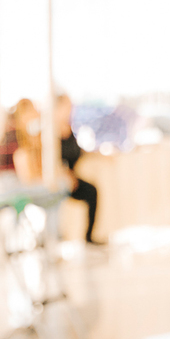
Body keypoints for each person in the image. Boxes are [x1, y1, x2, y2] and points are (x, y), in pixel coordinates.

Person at [56, 94, 102, 245]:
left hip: (72, 179)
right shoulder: (51, 132)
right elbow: (53, 160)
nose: (71, 110)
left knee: (92, 191)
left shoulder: (70, 129)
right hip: (59, 180)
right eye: (68, 107)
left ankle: (89, 237)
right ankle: (57, 238)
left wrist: (99, 153)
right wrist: (66, 174)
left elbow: (78, 151)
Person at [0, 98, 42, 182]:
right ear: (24, 114)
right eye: (32, 111)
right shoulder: (15, 137)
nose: (36, 114)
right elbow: (27, 177)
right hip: (8, 181)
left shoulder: (16, 133)